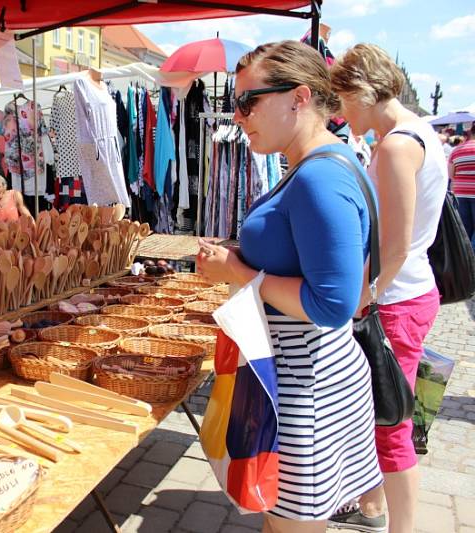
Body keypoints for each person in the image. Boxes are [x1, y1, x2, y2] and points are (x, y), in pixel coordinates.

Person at [196, 40, 381, 533]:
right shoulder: (316, 166)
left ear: (299, 97)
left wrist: (238, 273)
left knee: (292, 526)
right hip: (307, 377)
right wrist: (241, 256)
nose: (238, 117)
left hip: (306, 390)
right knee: (282, 522)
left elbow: (332, 304)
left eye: (247, 101)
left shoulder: (319, 178)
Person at [329, 43, 447, 533]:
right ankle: (374, 507)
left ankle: (400, 526)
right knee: (383, 417)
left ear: (361, 90)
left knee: (391, 426)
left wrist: (364, 297)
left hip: (395, 301)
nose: (338, 112)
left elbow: (394, 246)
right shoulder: (416, 134)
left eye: (340, 99)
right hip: (404, 296)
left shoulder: (398, 144)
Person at [449, 124, 475, 249]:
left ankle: (466, 263)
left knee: (464, 231)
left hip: (460, 193)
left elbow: (451, 174)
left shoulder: (457, 150)